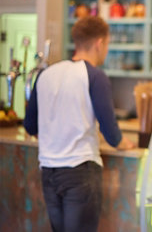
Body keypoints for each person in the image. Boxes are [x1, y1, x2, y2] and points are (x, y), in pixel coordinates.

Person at [24, 16, 135, 232]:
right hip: (80, 170)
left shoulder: (46, 74)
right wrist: (124, 144)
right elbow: (111, 134)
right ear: (100, 43)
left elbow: (30, 126)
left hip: (48, 170)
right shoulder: (95, 76)